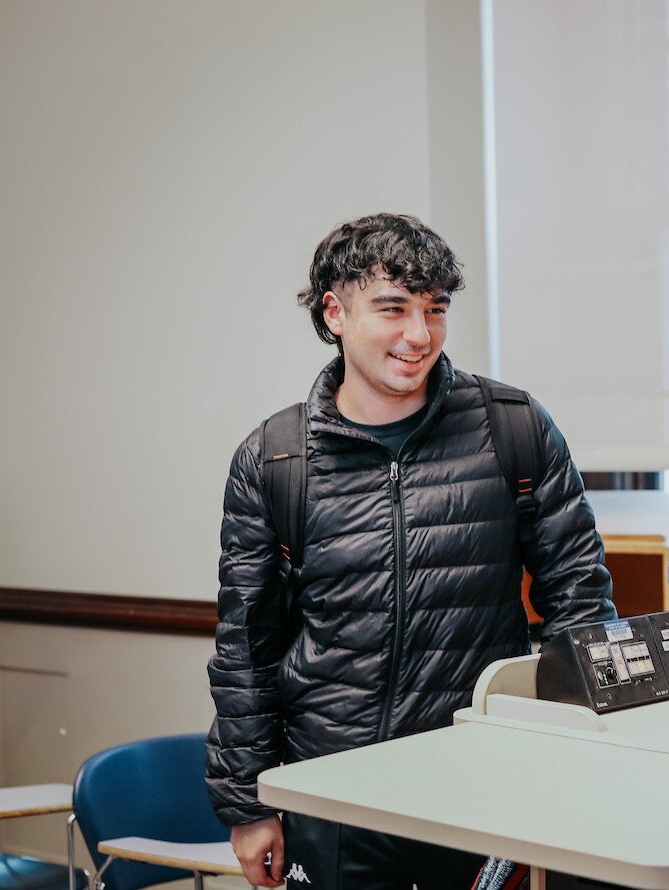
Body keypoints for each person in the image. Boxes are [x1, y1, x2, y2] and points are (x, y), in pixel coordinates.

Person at [206, 213, 616, 890]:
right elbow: (247, 649)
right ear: (335, 312)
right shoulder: (274, 459)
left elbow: (580, 601)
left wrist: (570, 760)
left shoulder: (511, 428)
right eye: (393, 309)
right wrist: (248, 803)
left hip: (482, 784)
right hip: (333, 793)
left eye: (435, 310)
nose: (419, 335)